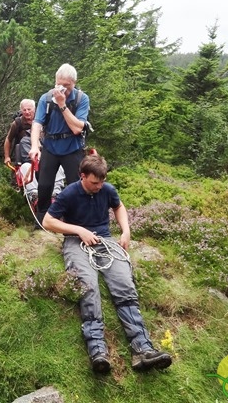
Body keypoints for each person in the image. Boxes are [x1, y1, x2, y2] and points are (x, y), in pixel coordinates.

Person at [43, 154, 172, 374]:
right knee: (88, 287)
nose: (99, 186)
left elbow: (118, 206)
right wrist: (78, 230)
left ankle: (142, 349)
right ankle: (98, 351)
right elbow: (48, 221)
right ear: (82, 176)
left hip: (105, 240)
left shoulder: (107, 189)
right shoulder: (69, 193)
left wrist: (126, 230)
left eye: (102, 182)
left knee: (125, 285)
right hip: (76, 242)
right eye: (95, 182)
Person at [29, 63, 89, 224]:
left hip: (72, 148)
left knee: (76, 186)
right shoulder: (46, 98)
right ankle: (42, 222)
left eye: (66, 86)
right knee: (44, 186)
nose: (61, 89)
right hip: (50, 147)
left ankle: (75, 222)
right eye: (58, 84)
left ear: (74, 83)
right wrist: (35, 145)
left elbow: (77, 128)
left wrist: (62, 105)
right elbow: (37, 123)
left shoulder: (81, 99)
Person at [3, 99, 64, 204]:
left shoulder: (43, 120)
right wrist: (7, 156)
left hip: (45, 153)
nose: (27, 112)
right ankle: (33, 195)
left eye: (29, 109)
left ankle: (55, 193)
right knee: (25, 167)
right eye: (24, 110)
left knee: (59, 166)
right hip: (25, 156)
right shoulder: (17, 123)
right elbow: (8, 140)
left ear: (34, 109)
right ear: (21, 110)